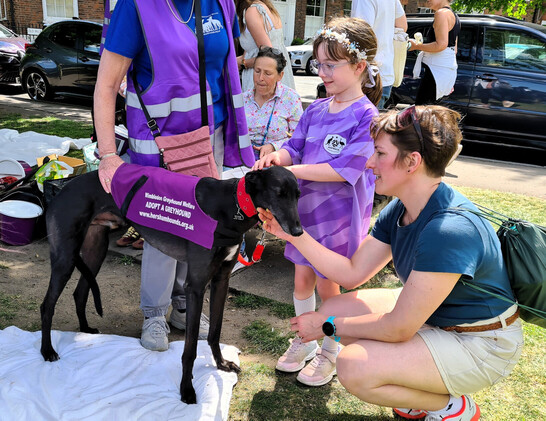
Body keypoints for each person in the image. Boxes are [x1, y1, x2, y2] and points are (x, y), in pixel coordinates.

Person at [258, 105, 523, 420]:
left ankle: (450, 407)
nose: (369, 163)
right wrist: (291, 234)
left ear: (412, 161)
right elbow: (352, 273)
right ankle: (417, 385)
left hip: (481, 342)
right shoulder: (401, 209)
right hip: (439, 319)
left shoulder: (449, 229)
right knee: (332, 308)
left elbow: (398, 328)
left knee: (353, 365)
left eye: (380, 154)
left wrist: (325, 327)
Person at [94, 0, 255, 352]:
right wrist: (108, 155)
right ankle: (154, 312)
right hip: (159, 141)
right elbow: (107, 85)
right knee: (164, 223)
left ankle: (183, 302)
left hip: (207, 137)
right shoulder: (136, 7)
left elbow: (222, 69)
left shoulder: (220, 3)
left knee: (200, 225)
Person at [252, 17, 382, 387]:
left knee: (329, 287)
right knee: (301, 280)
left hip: (339, 220)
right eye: (318, 64)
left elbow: (345, 170)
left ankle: (330, 348)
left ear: (359, 67)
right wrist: (278, 155)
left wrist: (295, 172)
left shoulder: (367, 117)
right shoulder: (316, 109)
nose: (321, 72)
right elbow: (295, 147)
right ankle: (305, 340)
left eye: (330, 65)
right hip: (305, 215)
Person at [244, 46, 303, 159]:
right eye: (257, 71)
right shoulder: (243, 99)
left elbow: (299, 137)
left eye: (267, 73)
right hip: (243, 160)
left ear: (280, 76)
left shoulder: (290, 99)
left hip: (277, 160)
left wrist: (274, 146)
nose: (260, 78)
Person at [351, 0, 407, 109]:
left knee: (361, 124)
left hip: (366, 78)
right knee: (374, 123)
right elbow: (402, 26)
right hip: (384, 74)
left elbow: (361, 37)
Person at [236, 0, 295, 92]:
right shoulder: (268, 9)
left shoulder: (253, 12)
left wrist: (243, 64)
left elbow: (268, 57)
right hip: (275, 76)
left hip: (262, 82)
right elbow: (252, 50)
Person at [409, 0, 461, 105]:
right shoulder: (454, 16)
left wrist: (416, 46)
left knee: (423, 112)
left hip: (436, 72)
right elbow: (454, 49)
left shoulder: (441, 14)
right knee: (431, 113)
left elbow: (441, 45)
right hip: (446, 71)